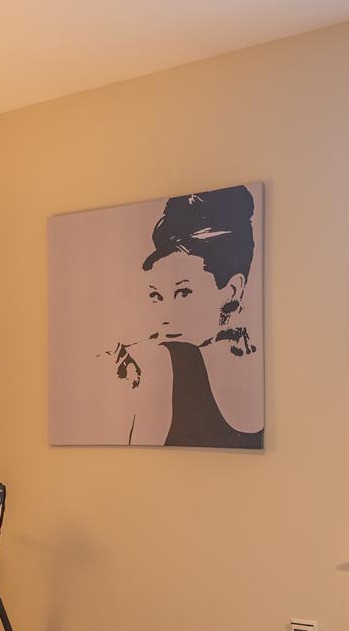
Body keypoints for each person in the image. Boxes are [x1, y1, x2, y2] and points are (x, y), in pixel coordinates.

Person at [103, 187, 263, 448]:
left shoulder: (175, 361)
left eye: (184, 292)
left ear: (232, 290)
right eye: (156, 297)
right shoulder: (159, 361)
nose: (165, 316)